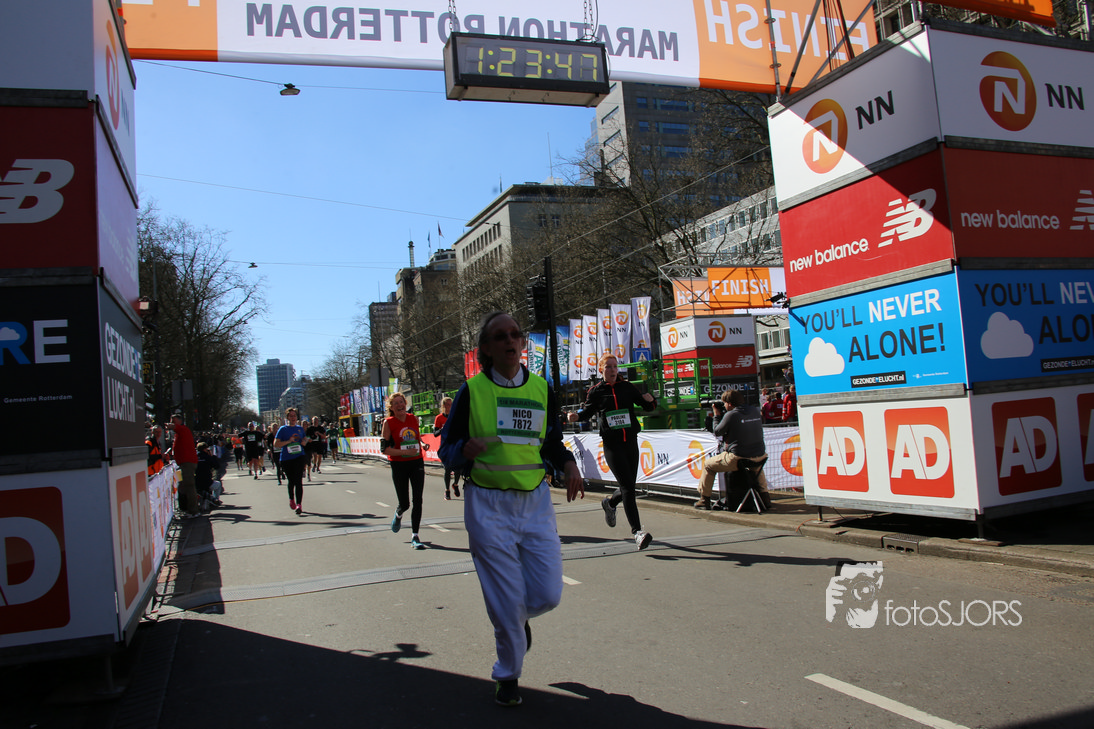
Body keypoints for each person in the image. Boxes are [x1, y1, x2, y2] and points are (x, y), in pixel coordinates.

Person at [440, 311, 583, 708]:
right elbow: (446, 448)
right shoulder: (472, 391)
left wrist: (568, 463)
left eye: (515, 334)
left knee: (548, 594)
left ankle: (517, 621)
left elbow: (550, 442)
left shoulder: (541, 388)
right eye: (500, 336)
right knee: (504, 601)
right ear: (486, 349)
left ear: (522, 343)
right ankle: (508, 675)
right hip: (488, 504)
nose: (509, 340)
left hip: (534, 502)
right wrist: (463, 451)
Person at [568, 353, 658, 550]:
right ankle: (637, 532)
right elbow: (588, 412)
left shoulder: (627, 387)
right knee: (628, 488)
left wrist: (651, 400)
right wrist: (576, 417)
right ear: (601, 370)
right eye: (608, 367)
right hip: (612, 445)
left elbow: (647, 406)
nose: (612, 370)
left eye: (615, 366)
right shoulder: (596, 391)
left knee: (629, 486)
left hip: (630, 442)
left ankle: (609, 503)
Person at [695, 389, 771, 510]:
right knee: (756, 468)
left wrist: (716, 415)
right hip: (760, 456)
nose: (724, 405)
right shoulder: (754, 411)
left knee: (708, 465)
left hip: (738, 458)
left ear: (730, 404)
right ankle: (765, 497)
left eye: (725, 403)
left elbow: (717, 431)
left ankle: (704, 500)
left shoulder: (731, 415)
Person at [381, 392, 427, 549]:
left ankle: (415, 535)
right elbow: (384, 449)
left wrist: (422, 445)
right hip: (399, 465)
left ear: (405, 404)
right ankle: (398, 514)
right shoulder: (388, 423)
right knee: (405, 503)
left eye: (401, 402)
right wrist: (404, 452)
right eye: (396, 403)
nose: (400, 405)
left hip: (416, 462)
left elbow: (416, 437)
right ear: (391, 408)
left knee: (418, 500)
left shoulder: (413, 418)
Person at [273, 407, 309, 515]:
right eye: (291, 416)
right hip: (287, 459)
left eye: (294, 416)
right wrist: (288, 441)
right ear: (287, 418)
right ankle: (291, 499)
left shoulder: (300, 429)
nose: (293, 418)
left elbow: (304, 439)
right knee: (291, 481)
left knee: (299, 481)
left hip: (299, 457)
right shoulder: (283, 429)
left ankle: (299, 504)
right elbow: (276, 444)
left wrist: (304, 441)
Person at [168, 413, 200, 517]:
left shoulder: (183, 430)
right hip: (183, 463)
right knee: (183, 485)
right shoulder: (180, 432)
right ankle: (187, 508)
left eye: (173, 421)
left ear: (180, 421)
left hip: (186, 463)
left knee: (189, 486)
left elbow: (174, 427)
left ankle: (193, 511)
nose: (172, 423)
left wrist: (169, 425)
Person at [434, 396, 461, 500]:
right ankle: (447, 490)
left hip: (455, 445)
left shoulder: (455, 416)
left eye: (451, 404)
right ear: (444, 406)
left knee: (458, 468)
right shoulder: (439, 418)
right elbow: (435, 433)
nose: (450, 406)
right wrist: (442, 429)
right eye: (448, 405)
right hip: (445, 446)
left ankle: (455, 484)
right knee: (447, 469)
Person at [194, 442, 223, 509]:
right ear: (205, 449)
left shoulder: (194, 457)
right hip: (207, 482)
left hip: (196, 482)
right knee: (218, 484)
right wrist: (212, 456)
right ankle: (215, 500)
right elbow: (216, 466)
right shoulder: (207, 457)